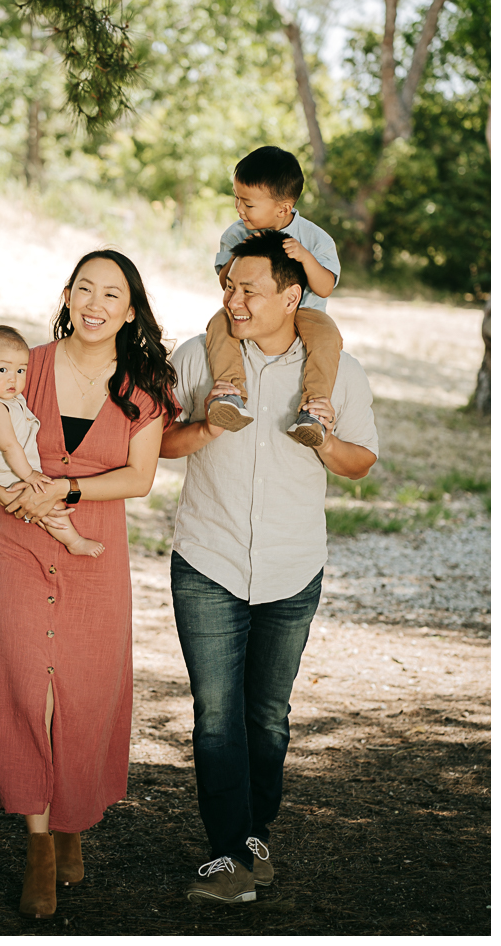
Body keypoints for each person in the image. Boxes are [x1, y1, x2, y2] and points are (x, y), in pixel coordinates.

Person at [0, 251, 178, 919]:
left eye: (112, 293)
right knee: (29, 690)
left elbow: (138, 479)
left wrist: (67, 486)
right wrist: (6, 495)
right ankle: (40, 846)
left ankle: (74, 821)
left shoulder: (146, 385)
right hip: (19, 548)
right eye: (85, 288)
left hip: (93, 553)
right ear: (69, 296)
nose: (95, 302)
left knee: (83, 696)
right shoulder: (28, 366)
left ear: (130, 310)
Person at [160, 229, 378, 905]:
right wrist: (207, 429)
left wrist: (328, 441)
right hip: (208, 558)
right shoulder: (198, 356)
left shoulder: (337, 370)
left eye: (248, 289)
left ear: (291, 295)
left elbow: (362, 461)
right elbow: (157, 440)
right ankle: (229, 858)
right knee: (216, 714)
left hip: (292, 566)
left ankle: (255, 835)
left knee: (268, 716)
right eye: (228, 287)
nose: (233, 299)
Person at [206, 145, 343, 449]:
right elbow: (223, 281)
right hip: (255, 313)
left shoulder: (315, 239)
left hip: (303, 314)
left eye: (248, 204)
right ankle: (230, 394)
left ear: (282, 208)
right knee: (218, 322)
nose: (239, 209)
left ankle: (314, 411)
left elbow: (325, 288)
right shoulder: (236, 233)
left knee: (328, 336)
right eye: (236, 198)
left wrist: (305, 258)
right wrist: (241, 252)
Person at [0, 324, 105, 557]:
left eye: (20, 371)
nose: (12, 379)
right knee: (49, 505)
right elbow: (9, 446)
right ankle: (74, 541)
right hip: (9, 472)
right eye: (3, 370)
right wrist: (29, 476)